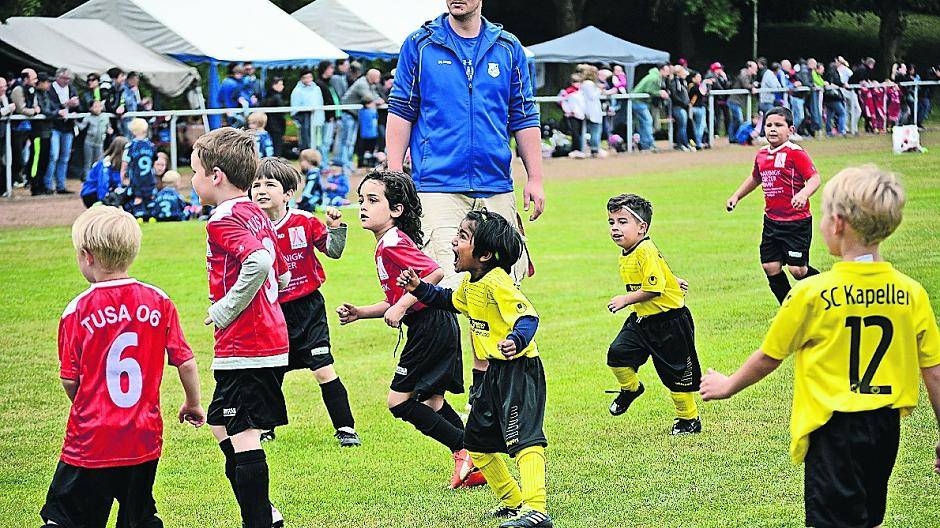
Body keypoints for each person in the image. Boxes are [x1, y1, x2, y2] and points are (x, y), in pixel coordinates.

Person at [701, 165, 940, 528]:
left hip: (834, 431)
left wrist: (728, 384)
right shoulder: (911, 293)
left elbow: (769, 356)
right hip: (885, 426)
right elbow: (934, 372)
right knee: (867, 518)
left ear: (838, 224)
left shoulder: (812, 293)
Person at [40, 205, 205, 528]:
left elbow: (69, 379)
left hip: (91, 438)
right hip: (142, 435)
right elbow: (185, 361)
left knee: (66, 517)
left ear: (87, 256)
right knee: (138, 514)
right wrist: (193, 403)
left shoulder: (76, 311)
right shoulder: (159, 301)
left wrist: (90, 402)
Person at [397, 209, 551, 528]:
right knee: (477, 442)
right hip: (492, 374)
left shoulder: (498, 282)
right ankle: (513, 502)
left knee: (524, 439)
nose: (453, 242)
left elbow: (528, 317)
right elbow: (449, 301)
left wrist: (516, 339)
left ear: (484, 254)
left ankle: (536, 509)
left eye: (462, 237)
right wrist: (418, 288)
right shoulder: (472, 282)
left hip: (518, 371)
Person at [337, 170, 483, 489]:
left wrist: (402, 306)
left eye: (373, 200)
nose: (363, 206)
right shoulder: (388, 243)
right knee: (431, 402)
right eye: (361, 199)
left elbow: (433, 273)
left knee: (399, 402)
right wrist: (361, 313)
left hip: (430, 325)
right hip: (434, 323)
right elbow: (396, 298)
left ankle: (467, 451)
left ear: (396, 210)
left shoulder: (391, 243)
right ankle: (476, 462)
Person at [386, 0, 545, 291]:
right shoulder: (420, 44)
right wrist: (395, 177)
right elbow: (401, 111)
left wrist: (535, 178)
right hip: (436, 188)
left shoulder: (508, 47)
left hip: (496, 187)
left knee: (505, 287)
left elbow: (524, 115)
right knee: (447, 287)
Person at [190, 127, 290, 528]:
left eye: (194, 171)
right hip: (266, 336)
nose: (191, 179)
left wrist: (226, 309)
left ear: (215, 176)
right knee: (220, 422)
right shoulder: (255, 212)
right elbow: (280, 274)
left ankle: (259, 521)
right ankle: (266, 513)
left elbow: (261, 264)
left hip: (248, 342)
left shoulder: (222, 219)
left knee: (244, 434)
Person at [250, 158, 360, 447]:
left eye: (269, 185)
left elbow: (333, 252)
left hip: (308, 309)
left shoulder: (305, 221)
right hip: (272, 310)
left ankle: (346, 428)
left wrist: (336, 227)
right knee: (270, 371)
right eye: (255, 185)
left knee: (323, 368)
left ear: (288, 193)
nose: (261, 190)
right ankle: (265, 426)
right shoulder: (249, 227)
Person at [604, 194, 702, 434]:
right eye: (611, 222)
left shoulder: (645, 249)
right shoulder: (629, 251)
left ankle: (689, 419)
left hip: (670, 321)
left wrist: (625, 299)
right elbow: (657, 273)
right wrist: (672, 280)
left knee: (677, 373)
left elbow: (653, 288)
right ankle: (631, 389)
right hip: (642, 321)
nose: (615, 227)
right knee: (618, 354)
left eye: (622, 221)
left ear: (642, 227)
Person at [726, 107, 821, 304]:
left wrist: (803, 194)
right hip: (772, 222)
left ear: (791, 130)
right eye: (769, 125)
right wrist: (736, 196)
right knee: (770, 266)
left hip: (796, 222)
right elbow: (755, 178)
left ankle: (825, 289)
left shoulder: (795, 153)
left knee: (798, 270)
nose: (772, 129)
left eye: (779, 125)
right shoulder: (761, 154)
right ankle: (789, 308)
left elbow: (814, 178)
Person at [340, 68, 384, 169]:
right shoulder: (362, 83)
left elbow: (376, 97)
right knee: (347, 141)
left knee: (351, 141)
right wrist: (377, 101)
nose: (379, 79)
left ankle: (348, 164)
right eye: (378, 77)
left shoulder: (369, 84)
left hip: (354, 115)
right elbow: (370, 98)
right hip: (348, 114)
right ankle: (345, 165)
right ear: (373, 77)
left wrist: (377, 100)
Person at [46, 68, 80, 195]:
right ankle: (48, 184)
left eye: (68, 79)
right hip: (55, 127)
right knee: (53, 155)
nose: (66, 81)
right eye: (64, 78)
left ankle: (61, 185)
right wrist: (65, 105)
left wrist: (75, 105)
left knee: (65, 157)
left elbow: (79, 105)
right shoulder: (50, 89)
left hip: (68, 127)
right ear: (57, 77)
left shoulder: (72, 88)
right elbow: (50, 106)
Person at [121, 118, 157, 219]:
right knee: (150, 197)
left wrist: (123, 178)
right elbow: (154, 161)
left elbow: (125, 164)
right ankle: (151, 216)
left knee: (138, 197)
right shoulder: (151, 145)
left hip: (136, 178)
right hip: (149, 177)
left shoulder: (131, 146)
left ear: (132, 131)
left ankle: (139, 215)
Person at [631, 64, 671, 151]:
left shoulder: (655, 77)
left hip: (640, 102)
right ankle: (649, 143)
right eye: (667, 71)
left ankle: (644, 144)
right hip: (638, 101)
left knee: (643, 123)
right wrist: (659, 93)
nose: (668, 73)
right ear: (661, 70)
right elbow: (649, 90)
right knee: (648, 120)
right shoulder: (654, 78)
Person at [80, 137, 127, 208]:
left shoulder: (120, 164)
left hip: (104, 192)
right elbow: (102, 184)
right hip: (91, 194)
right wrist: (104, 202)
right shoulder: (105, 163)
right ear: (120, 150)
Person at [290, 70, 323, 152]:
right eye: (306, 78)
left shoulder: (316, 89)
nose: (308, 80)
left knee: (317, 140)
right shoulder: (297, 91)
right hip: (303, 118)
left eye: (310, 77)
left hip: (316, 117)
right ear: (302, 79)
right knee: (306, 140)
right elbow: (294, 108)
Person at [316, 61, 341, 166]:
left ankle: (325, 162)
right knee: (325, 142)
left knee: (328, 141)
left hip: (332, 116)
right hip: (326, 118)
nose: (332, 70)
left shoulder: (329, 83)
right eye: (330, 68)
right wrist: (330, 115)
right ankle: (324, 163)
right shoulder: (320, 84)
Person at [77, 99, 109, 179]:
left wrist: (109, 130)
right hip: (89, 142)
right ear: (90, 108)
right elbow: (81, 127)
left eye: (99, 106)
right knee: (88, 162)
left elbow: (108, 127)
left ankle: (98, 178)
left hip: (100, 143)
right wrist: (75, 121)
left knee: (99, 162)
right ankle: (87, 179)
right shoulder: (88, 117)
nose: (98, 109)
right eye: (95, 107)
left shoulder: (105, 117)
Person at [728, 61, 758, 141]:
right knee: (739, 119)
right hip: (734, 101)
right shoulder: (743, 74)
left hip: (737, 101)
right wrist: (752, 87)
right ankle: (735, 137)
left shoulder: (749, 75)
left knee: (734, 120)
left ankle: (732, 138)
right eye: (755, 68)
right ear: (749, 68)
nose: (756, 70)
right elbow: (745, 85)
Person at [580, 65, 604, 157]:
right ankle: (595, 149)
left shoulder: (585, 83)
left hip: (590, 109)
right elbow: (592, 96)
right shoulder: (588, 84)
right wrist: (599, 89)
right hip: (592, 110)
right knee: (595, 130)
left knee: (592, 130)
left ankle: (594, 148)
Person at [260, 77, 287, 156]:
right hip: (277, 127)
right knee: (277, 149)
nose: (282, 86)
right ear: (274, 85)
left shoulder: (266, 97)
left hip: (268, 126)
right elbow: (282, 114)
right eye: (280, 84)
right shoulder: (277, 97)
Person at [668, 65, 692, 150]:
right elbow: (675, 96)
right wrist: (684, 103)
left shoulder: (682, 82)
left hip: (682, 107)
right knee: (681, 126)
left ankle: (683, 143)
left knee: (683, 126)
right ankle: (682, 144)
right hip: (678, 107)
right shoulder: (675, 82)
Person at [688, 70, 709, 149]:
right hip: (697, 108)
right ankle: (698, 143)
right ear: (693, 78)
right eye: (698, 77)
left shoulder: (692, 86)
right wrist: (704, 83)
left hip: (697, 108)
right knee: (700, 126)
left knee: (699, 126)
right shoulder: (694, 87)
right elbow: (703, 92)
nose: (700, 78)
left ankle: (698, 142)